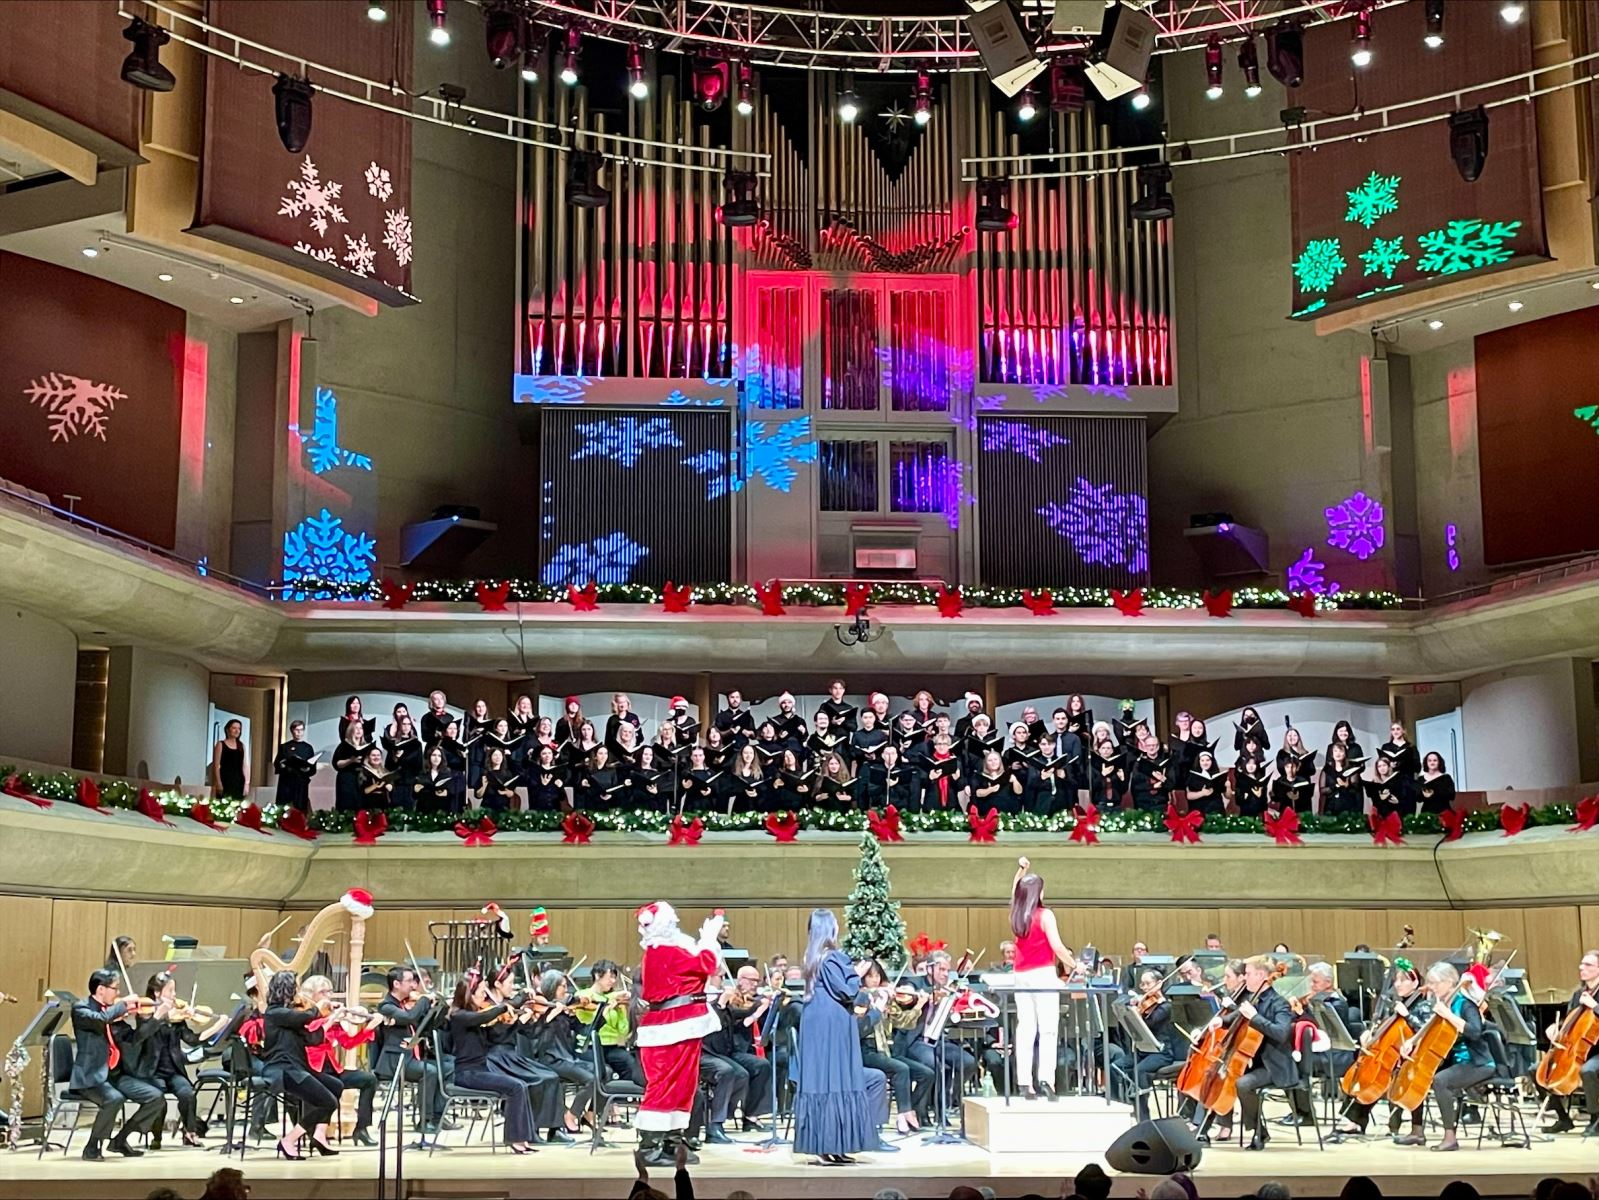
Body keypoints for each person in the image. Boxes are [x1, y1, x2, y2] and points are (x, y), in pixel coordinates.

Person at [793, 908, 891, 1163]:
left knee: (822, 1081)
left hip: (816, 1020)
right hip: (832, 1022)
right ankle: (832, 1145)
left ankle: (828, 1146)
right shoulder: (833, 957)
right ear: (831, 929)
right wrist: (857, 973)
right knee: (837, 1079)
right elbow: (847, 990)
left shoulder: (812, 957)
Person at [635, 901, 726, 1164]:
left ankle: (671, 1142)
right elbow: (706, 964)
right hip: (669, 1025)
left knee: (684, 1085)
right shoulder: (661, 951)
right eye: (672, 922)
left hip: (682, 1023)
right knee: (665, 1084)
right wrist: (708, 938)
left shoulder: (669, 948)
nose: (676, 925)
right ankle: (649, 1147)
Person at [1195, 955, 1294, 1151]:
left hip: (1273, 1065)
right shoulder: (1252, 998)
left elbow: (1281, 1033)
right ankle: (1202, 1129)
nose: (1245, 978)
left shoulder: (1279, 1004)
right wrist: (1220, 1021)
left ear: (1260, 975)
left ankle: (1259, 1131)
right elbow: (1235, 1016)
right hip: (1252, 1062)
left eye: (1248, 974)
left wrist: (1255, 1018)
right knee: (1218, 1076)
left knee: (1242, 1084)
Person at [1396, 963, 1494, 1152]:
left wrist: (1448, 1015)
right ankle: (1417, 1130)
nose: (1431, 987)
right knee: (1418, 1073)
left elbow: (1475, 1032)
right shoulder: (1442, 1005)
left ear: (1450, 982)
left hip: (1477, 1062)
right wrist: (1412, 1043)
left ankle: (1450, 1137)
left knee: (1441, 1081)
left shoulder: (1465, 1004)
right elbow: (1431, 1034)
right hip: (1455, 1060)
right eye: (1430, 982)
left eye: (1435, 983)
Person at [72, 968, 165, 1160]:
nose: (118, 994)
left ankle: (120, 1140)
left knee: (156, 1098)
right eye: (115, 989)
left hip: (115, 1074)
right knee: (114, 1099)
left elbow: (135, 1038)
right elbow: (101, 1020)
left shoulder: (113, 1014)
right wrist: (122, 1005)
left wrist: (155, 1019)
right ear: (101, 990)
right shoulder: (82, 1009)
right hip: (92, 1077)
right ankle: (91, 1147)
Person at [447, 968, 539, 1153]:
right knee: (515, 1087)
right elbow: (483, 1016)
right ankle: (515, 1139)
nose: (484, 995)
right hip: (467, 1074)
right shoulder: (459, 1016)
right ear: (469, 995)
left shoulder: (477, 1017)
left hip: (481, 1070)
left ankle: (525, 1137)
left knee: (521, 1084)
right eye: (481, 992)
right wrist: (504, 1006)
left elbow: (496, 1037)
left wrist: (516, 1022)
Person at [1007, 857, 1076, 1099]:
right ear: (1038, 892)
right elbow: (1057, 946)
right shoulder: (1045, 915)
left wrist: (1022, 870)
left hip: (1020, 975)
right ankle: (1047, 1079)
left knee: (1025, 1028)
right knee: (1048, 1029)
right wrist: (1074, 964)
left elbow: (1015, 890)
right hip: (1043, 974)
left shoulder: (1016, 914)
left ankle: (1024, 1082)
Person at [260, 969, 342, 1160]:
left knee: (335, 1086)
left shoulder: (291, 1014)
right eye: (295, 989)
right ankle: (289, 1140)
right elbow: (303, 1018)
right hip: (283, 1069)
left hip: (297, 1067)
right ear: (287, 990)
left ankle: (319, 1134)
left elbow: (312, 1038)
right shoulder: (274, 1013)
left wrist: (331, 1018)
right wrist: (317, 1008)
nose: (298, 993)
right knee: (328, 1102)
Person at [132, 971, 206, 1148]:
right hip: (152, 1071)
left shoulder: (177, 1017)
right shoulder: (145, 1013)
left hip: (173, 1070)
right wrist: (163, 1015)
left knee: (188, 1094)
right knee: (159, 1099)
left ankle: (189, 1133)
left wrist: (215, 1030)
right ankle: (156, 1137)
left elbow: (191, 1039)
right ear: (157, 993)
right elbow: (143, 1034)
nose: (174, 995)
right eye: (170, 990)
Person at [373, 965, 449, 1135]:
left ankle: (438, 1115)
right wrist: (423, 1000)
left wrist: (438, 1009)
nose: (414, 986)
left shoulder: (407, 1004)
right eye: (409, 981)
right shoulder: (386, 1007)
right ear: (396, 984)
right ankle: (425, 1120)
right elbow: (409, 1018)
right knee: (429, 1072)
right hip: (395, 1059)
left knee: (446, 1067)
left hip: (411, 1057)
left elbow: (428, 1027)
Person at [1539, 949, 1599, 1135]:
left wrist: (1595, 1006)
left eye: (1588, 965)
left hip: (1596, 1052)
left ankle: (1595, 1120)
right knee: (1538, 1071)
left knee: (1588, 1070)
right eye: (1581, 964)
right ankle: (1563, 1118)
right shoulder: (1578, 994)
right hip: (1576, 1050)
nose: (1582, 967)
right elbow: (1569, 1023)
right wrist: (1555, 1030)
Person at [578, 960, 644, 1086]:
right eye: (610, 977)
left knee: (630, 1064)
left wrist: (620, 1011)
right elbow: (593, 1018)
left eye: (615, 977)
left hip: (611, 1047)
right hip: (590, 1047)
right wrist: (612, 998)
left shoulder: (616, 1001)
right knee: (603, 1071)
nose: (613, 981)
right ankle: (599, 1104)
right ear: (597, 975)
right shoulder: (583, 996)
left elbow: (623, 1030)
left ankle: (619, 1099)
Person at [273, 720, 317, 813]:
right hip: (286, 782)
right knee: (284, 808)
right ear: (292, 731)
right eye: (296, 730)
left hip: (301, 782)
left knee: (300, 808)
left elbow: (313, 769)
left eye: (301, 730)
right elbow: (277, 763)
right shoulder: (284, 747)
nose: (299, 732)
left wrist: (307, 769)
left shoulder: (308, 748)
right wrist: (282, 765)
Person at [211, 719, 248, 800]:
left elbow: (244, 765)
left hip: (239, 781)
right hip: (225, 779)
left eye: (239, 728)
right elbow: (216, 766)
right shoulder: (220, 744)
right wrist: (218, 783)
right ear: (227, 730)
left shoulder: (241, 746)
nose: (237, 730)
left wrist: (246, 783)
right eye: (234, 728)